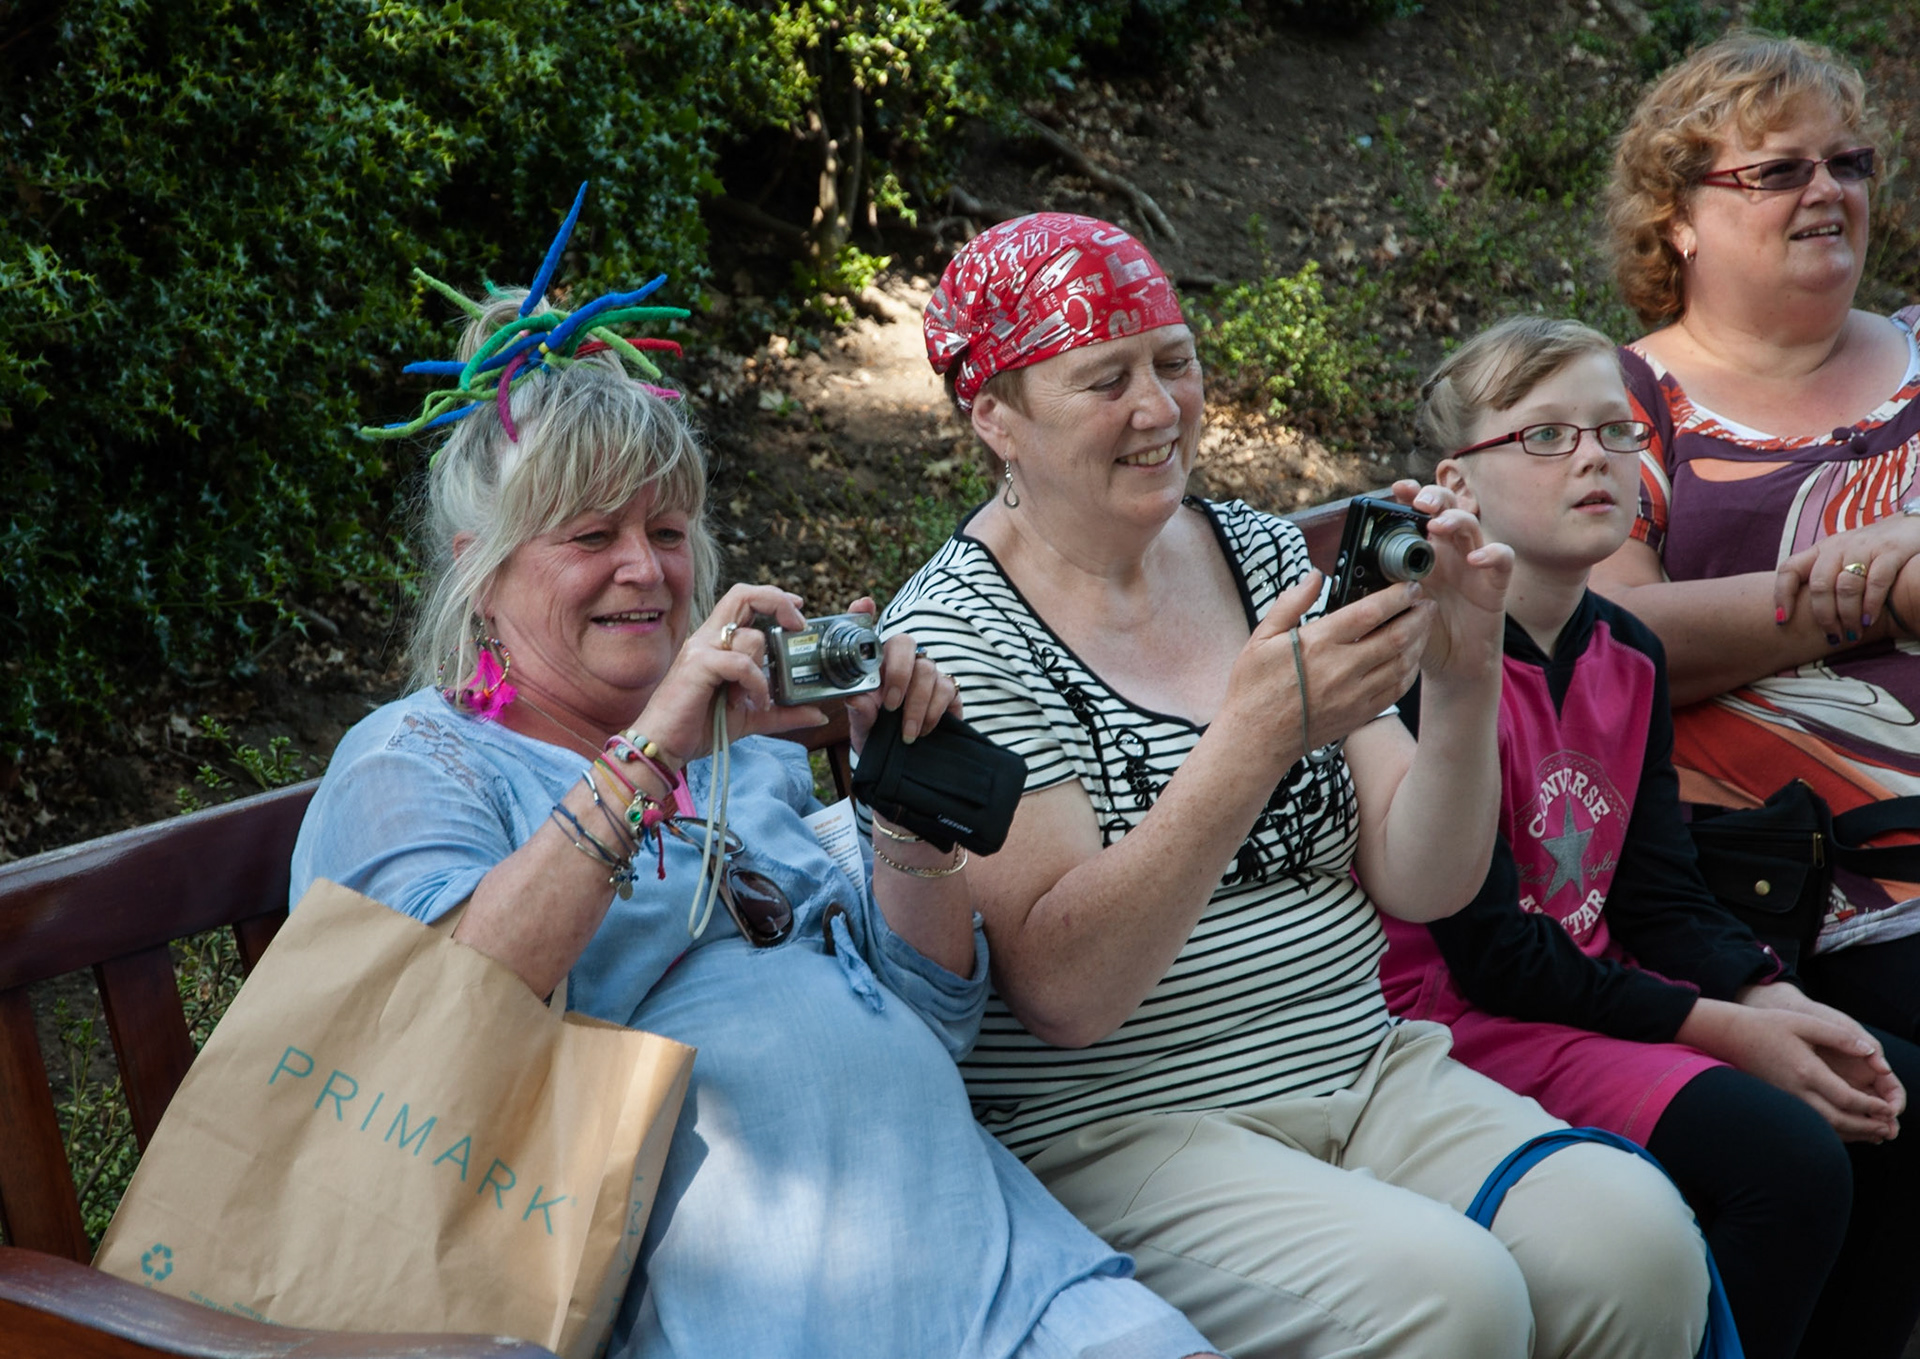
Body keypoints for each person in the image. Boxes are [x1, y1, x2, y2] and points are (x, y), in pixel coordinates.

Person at [290, 199, 1221, 1359]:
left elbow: (932, 1019)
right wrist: (654, 755)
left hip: (980, 1255)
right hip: (750, 1307)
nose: (645, 568)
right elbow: (441, 1030)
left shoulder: (756, 758)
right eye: (591, 536)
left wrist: (906, 814)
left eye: (669, 530)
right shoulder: (412, 759)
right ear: (482, 572)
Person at [882, 210, 1713, 1359]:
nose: (1160, 408)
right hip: (1124, 1130)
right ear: (995, 416)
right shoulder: (958, 640)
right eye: (1104, 379)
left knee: (1638, 1244)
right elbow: (1066, 994)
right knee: (1452, 1297)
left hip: (1366, 1070)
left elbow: (1421, 878)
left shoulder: (1258, 552)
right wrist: (1253, 739)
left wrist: (1466, 678)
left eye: (1175, 362)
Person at [1379, 312, 1920, 1359]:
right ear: (1459, 480)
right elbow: (1489, 954)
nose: (1593, 456)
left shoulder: (1624, 648)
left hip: (1591, 997)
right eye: (1544, 436)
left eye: (1614, 431)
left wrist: (1772, 995)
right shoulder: (1433, 663)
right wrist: (1722, 1029)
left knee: (1891, 1095)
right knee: (1788, 1161)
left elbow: (1657, 895)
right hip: (1460, 1022)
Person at [1596, 31, 1920, 1038]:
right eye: (1780, 170)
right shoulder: (1618, 403)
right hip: (1813, 892)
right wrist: (1883, 584)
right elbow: (1612, 639)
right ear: (1678, 219)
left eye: (1847, 163)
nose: (1827, 190)